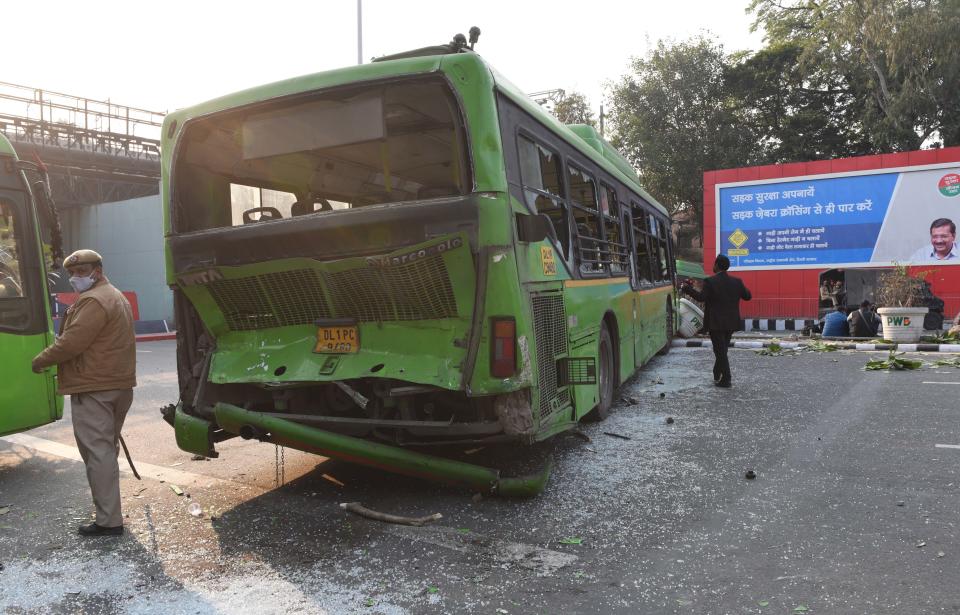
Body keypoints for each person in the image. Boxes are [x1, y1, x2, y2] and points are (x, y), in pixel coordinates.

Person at [31, 249, 136, 537]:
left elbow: (70, 343)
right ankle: (109, 511)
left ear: (97, 272)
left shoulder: (93, 301)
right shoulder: (114, 296)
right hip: (117, 385)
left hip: (94, 388)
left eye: (81, 272)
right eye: (73, 273)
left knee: (97, 453)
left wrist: (40, 361)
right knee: (105, 450)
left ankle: (108, 521)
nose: (75, 278)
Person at [680, 254, 751, 388]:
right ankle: (717, 371)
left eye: (714, 264)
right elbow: (748, 296)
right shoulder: (737, 282)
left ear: (717, 265)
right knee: (722, 349)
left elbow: (701, 298)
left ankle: (727, 379)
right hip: (731, 322)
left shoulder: (710, 281)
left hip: (716, 323)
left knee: (720, 351)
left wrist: (687, 289)